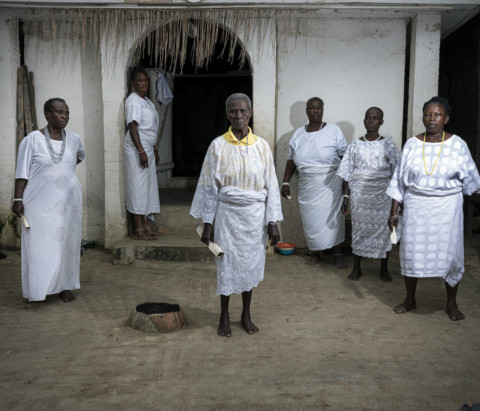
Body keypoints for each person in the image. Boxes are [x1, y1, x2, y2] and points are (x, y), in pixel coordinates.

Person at [190, 93, 283, 337]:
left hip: (254, 218)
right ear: (227, 115)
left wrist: (272, 221)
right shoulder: (217, 146)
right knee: (226, 265)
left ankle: (246, 315)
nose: (238, 116)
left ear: (250, 113)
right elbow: (209, 186)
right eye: (233, 111)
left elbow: (272, 185)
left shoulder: (262, 146)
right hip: (227, 217)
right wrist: (208, 223)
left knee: (249, 266)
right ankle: (224, 316)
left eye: (243, 111)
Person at [386, 96, 480, 321]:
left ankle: (451, 303)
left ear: (446, 119)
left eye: (437, 115)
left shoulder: (458, 144)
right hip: (417, 207)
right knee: (412, 253)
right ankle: (410, 299)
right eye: (427, 114)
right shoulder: (412, 144)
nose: (431, 119)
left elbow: (471, 180)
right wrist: (394, 211)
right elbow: (398, 180)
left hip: (448, 208)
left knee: (451, 255)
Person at [12, 98, 85, 302]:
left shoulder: (74, 139)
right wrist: (18, 198)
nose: (64, 116)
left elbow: (79, 156)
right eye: (59, 112)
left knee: (67, 244)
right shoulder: (32, 140)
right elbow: (22, 172)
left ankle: (65, 286)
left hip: (69, 202)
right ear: (47, 114)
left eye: (67, 113)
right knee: (40, 245)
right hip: (39, 203)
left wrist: (63, 168)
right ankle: (39, 289)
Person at [281, 97, 348, 268]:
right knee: (311, 220)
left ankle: (337, 254)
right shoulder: (298, 134)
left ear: (323, 110)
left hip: (330, 183)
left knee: (334, 219)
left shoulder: (333, 130)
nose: (315, 111)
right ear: (307, 111)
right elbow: (291, 160)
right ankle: (315, 253)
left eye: (318, 108)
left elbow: (345, 158)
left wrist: (346, 184)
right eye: (311, 108)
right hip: (307, 184)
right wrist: (285, 182)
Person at [337, 107, 400, 281]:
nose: (371, 121)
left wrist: (397, 202)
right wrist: (346, 197)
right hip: (360, 195)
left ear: (381, 122)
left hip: (383, 196)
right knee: (359, 230)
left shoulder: (388, 145)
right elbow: (347, 173)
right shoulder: (355, 144)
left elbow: (397, 174)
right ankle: (357, 268)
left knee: (384, 231)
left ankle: (384, 269)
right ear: (364, 120)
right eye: (368, 117)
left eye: (375, 118)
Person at [124, 67, 161, 240]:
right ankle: (139, 230)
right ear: (133, 83)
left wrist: (154, 149)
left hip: (147, 147)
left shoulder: (146, 101)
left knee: (148, 187)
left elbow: (151, 128)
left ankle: (146, 226)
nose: (143, 83)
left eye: (145, 80)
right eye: (139, 80)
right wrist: (141, 151)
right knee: (138, 187)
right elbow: (132, 126)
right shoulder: (133, 101)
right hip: (136, 147)